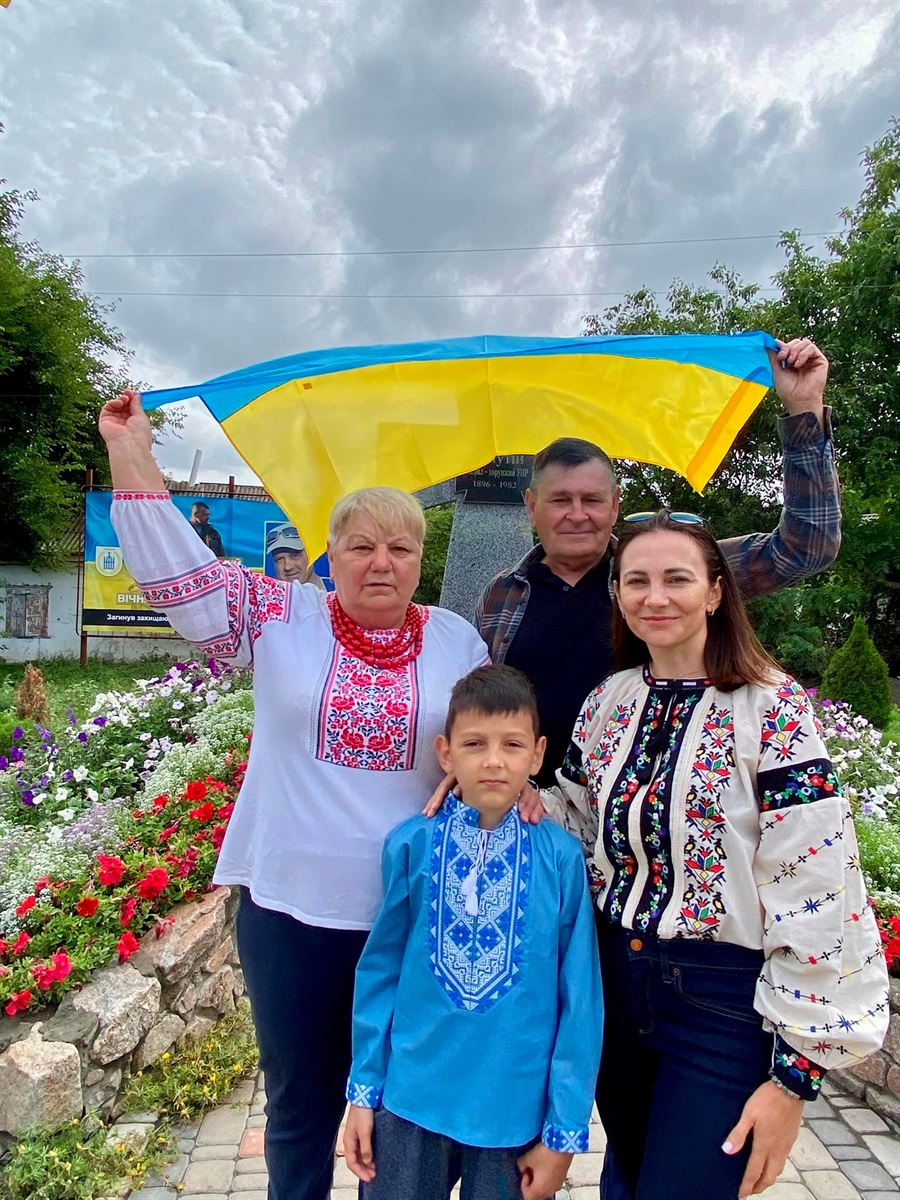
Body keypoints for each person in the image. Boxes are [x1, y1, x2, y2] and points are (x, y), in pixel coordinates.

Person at [97, 390, 490, 1200]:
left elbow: (494, 746)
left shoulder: (458, 641)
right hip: (289, 909)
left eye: (400, 548)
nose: (380, 563)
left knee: (405, 1112)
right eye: (360, 546)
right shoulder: (278, 616)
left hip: (413, 914)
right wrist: (131, 454)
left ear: (420, 560)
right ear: (328, 555)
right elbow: (180, 580)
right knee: (300, 1106)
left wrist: (511, 793)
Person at [541, 510, 889, 1200]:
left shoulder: (772, 709)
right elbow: (574, 820)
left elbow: (817, 885)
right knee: (628, 1179)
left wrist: (794, 1079)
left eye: (677, 578)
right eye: (636, 580)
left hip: (721, 1001)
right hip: (614, 981)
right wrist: (499, 792)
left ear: (714, 592)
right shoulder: (608, 701)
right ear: (618, 594)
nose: (655, 597)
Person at [475, 338, 841, 786]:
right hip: (533, 808)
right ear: (532, 507)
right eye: (560, 500)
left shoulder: (668, 573)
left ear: (615, 505)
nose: (577, 514)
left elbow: (806, 547)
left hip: (650, 807)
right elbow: (484, 704)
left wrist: (804, 408)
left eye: (592, 499)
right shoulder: (502, 594)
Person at [343, 665, 603, 1200]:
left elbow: (580, 997)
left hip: (514, 1107)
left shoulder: (560, 859)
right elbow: (380, 971)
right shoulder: (411, 845)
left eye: (512, 744)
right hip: (410, 1096)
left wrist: (564, 1130)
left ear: (538, 754)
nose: (493, 760)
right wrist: (363, 1092)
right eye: (474, 743)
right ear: (446, 754)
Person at [266, 521, 325, 588]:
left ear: (312, 555)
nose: (287, 567)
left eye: (295, 556)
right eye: (279, 559)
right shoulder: (267, 594)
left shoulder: (334, 591)